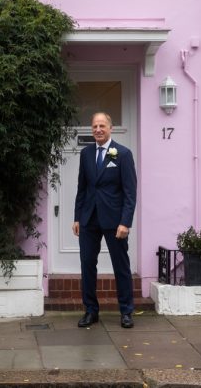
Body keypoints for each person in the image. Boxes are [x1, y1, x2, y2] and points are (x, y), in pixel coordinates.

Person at [73, 111, 138, 329]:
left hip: (114, 220)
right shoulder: (86, 154)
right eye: (94, 127)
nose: (98, 130)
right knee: (87, 265)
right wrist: (77, 217)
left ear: (110, 128)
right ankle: (91, 311)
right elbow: (82, 188)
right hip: (89, 218)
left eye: (102, 126)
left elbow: (130, 192)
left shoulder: (122, 154)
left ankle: (126, 311)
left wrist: (125, 222)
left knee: (121, 266)